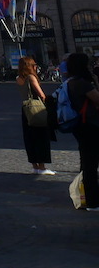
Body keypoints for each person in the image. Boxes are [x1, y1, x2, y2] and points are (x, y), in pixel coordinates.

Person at [61, 51, 99, 210]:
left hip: (79, 125)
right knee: (90, 164)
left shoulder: (69, 82)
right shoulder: (83, 83)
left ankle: (86, 196)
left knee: (86, 161)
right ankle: (92, 200)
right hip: (91, 125)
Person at [15, 56, 55, 175]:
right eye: (34, 65)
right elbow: (41, 95)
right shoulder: (31, 77)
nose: (36, 67)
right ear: (29, 66)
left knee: (29, 138)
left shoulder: (18, 78)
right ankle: (42, 167)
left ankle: (34, 166)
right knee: (41, 137)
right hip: (36, 109)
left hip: (26, 109)